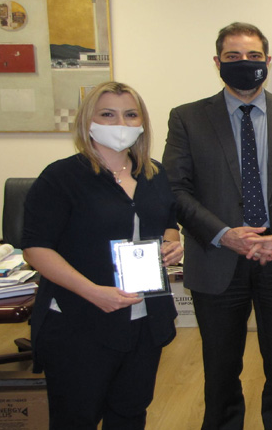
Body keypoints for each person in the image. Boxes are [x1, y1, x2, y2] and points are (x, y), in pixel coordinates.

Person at [162, 22, 272, 430]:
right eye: (233, 56)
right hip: (216, 259)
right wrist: (224, 235)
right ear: (217, 62)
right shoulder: (187, 118)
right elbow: (174, 188)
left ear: (268, 61)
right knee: (220, 369)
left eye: (254, 56)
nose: (245, 63)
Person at [22, 81, 182, 429]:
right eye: (108, 115)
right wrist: (93, 292)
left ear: (142, 122)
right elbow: (36, 248)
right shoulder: (61, 177)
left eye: (130, 115)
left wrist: (172, 242)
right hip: (80, 320)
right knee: (76, 418)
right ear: (88, 121)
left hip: (145, 317)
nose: (120, 124)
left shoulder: (154, 174)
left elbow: (168, 222)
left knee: (130, 413)